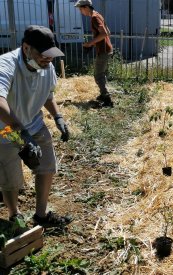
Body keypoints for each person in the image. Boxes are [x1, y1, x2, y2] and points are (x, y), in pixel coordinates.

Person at [0, 25, 71, 227]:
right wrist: (21, 133)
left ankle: (41, 214)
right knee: (11, 177)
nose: (48, 59)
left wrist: (58, 116)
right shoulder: (6, 65)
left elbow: (48, 94)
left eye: (51, 55)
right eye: (43, 54)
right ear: (26, 48)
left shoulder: (46, 67)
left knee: (47, 165)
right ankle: (14, 214)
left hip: (34, 123)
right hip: (6, 129)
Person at [75, 0, 114, 107]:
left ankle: (107, 99)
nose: (80, 11)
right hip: (106, 49)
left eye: (81, 9)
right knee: (101, 73)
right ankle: (103, 93)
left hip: (104, 51)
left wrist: (90, 43)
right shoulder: (98, 15)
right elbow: (108, 32)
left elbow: (105, 33)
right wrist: (96, 42)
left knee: (98, 75)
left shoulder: (94, 18)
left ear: (86, 7)